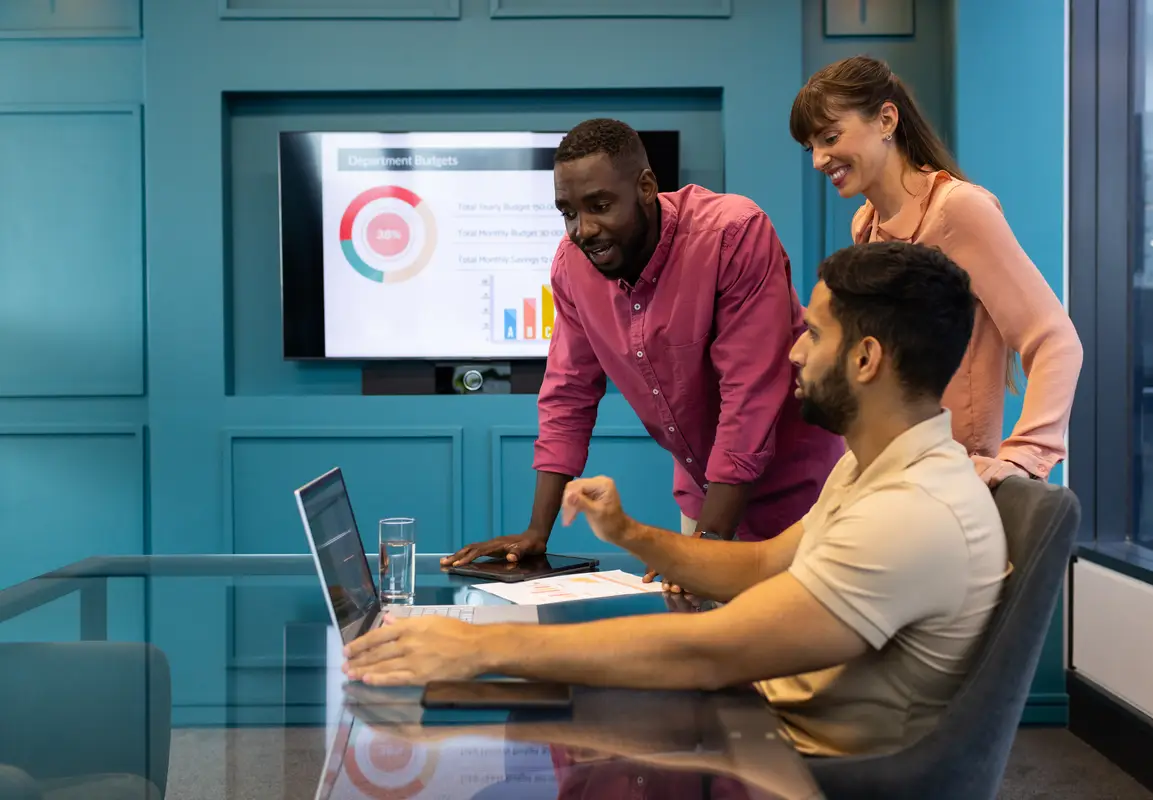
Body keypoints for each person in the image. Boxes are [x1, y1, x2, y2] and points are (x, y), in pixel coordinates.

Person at [344, 241, 1011, 759]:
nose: (794, 352)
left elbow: (712, 650)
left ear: (865, 359)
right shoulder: (876, 469)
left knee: (495, 723)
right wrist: (628, 532)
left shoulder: (911, 513)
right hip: (760, 722)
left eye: (813, 333)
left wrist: (479, 648)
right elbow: (760, 566)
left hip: (800, 766)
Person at [442, 118, 844, 576]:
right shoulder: (572, 267)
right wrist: (537, 532)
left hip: (801, 498)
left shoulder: (732, 234)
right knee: (699, 621)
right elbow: (568, 393)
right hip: (704, 499)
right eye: (568, 212)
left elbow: (749, 396)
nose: (583, 230)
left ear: (646, 187)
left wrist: (703, 553)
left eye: (600, 206)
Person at [792, 55, 1083, 486]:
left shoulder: (958, 209)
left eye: (830, 137)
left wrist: (1024, 457)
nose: (819, 159)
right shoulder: (865, 224)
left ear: (886, 119)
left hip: (952, 482)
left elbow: (1055, 339)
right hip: (891, 475)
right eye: (811, 146)